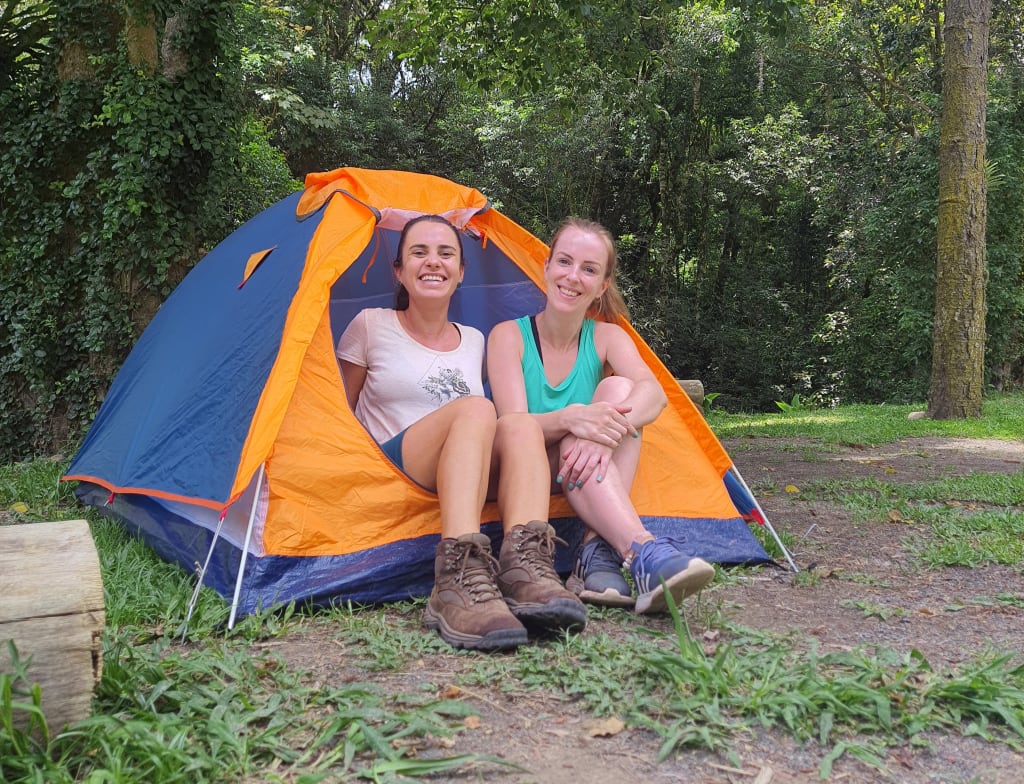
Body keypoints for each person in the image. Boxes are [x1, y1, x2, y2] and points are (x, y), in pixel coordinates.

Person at [336, 214, 586, 652]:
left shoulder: (473, 339)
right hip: (397, 463)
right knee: (477, 408)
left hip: (460, 465)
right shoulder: (370, 325)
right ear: (399, 270)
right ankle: (454, 578)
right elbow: (342, 411)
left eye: (446, 253)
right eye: (419, 252)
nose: (433, 262)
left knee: (519, 423)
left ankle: (526, 568)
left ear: (461, 272)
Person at [487, 217, 715, 614]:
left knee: (619, 391)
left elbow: (654, 395)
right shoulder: (508, 336)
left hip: (583, 465)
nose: (573, 276)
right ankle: (639, 548)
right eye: (565, 262)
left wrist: (596, 431)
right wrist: (574, 419)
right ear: (546, 266)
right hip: (527, 471)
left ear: (602, 285)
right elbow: (513, 430)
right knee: (592, 416)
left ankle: (595, 550)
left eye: (589, 269)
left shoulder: (608, 336)